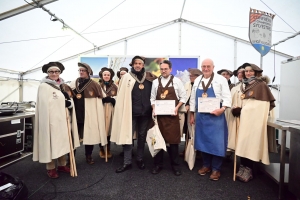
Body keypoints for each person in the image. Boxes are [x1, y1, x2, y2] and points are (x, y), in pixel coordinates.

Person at [33, 62, 80, 179]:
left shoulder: (63, 85)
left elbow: (68, 101)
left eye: (56, 71)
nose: (54, 74)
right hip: (51, 121)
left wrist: (69, 104)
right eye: (51, 72)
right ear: (47, 73)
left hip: (62, 120)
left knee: (61, 142)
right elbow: (45, 105)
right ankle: (50, 167)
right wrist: (62, 102)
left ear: (60, 73)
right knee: (51, 143)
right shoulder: (44, 86)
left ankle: (62, 165)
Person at [111, 56, 157, 173]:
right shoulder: (126, 77)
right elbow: (121, 96)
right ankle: (127, 162)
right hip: (130, 113)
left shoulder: (149, 77)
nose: (137, 65)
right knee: (128, 137)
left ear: (143, 65)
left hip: (145, 113)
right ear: (132, 64)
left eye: (140, 63)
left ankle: (140, 159)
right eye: (135, 63)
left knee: (142, 137)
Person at [190, 58, 231, 181]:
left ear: (213, 67)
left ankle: (216, 169)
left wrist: (222, 109)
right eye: (204, 66)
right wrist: (192, 114)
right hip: (201, 116)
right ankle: (206, 165)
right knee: (203, 141)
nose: (206, 69)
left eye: (208, 66)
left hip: (216, 116)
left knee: (217, 143)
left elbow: (227, 97)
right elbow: (193, 99)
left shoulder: (221, 80)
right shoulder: (198, 80)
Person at [233, 63, 275, 182]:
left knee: (251, 144)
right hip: (246, 120)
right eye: (246, 71)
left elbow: (261, 105)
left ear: (256, 72)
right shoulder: (247, 84)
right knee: (243, 142)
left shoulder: (261, 85)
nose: (248, 73)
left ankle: (249, 169)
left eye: (251, 71)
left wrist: (243, 109)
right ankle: (243, 166)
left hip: (254, 122)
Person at [150, 60, 187, 176]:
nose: (163, 71)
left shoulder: (177, 82)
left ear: (170, 69)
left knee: (174, 143)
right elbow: (152, 98)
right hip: (159, 118)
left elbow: (183, 97)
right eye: (161, 69)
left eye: (165, 69)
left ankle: (175, 166)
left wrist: (176, 108)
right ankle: (157, 165)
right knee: (158, 142)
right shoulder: (155, 82)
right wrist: (154, 108)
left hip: (172, 117)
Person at [70, 63, 107, 165]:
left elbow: (102, 96)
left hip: (88, 114)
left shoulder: (94, 84)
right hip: (76, 113)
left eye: (83, 70)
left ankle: (88, 156)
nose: (81, 72)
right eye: (80, 70)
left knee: (89, 136)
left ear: (89, 72)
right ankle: (71, 158)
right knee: (73, 136)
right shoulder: (74, 83)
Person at [180, 68, 202, 157]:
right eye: (190, 75)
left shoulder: (201, 85)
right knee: (188, 131)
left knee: (197, 131)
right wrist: (185, 105)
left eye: (192, 76)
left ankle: (199, 151)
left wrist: (191, 105)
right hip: (187, 112)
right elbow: (185, 96)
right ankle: (187, 149)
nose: (190, 77)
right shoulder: (187, 84)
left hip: (198, 112)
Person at [227, 63, 248, 151]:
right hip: (234, 117)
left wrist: (242, 109)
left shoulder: (251, 86)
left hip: (246, 117)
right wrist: (233, 108)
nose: (240, 74)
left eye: (242, 72)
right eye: (238, 72)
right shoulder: (234, 88)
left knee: (245, 139)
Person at [98, 67, 118, 159]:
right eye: (105, 75)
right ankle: (101, 148)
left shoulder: (115, 86)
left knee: (109, 129)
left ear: (111, 76)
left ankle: (108, 148)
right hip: (101, 109)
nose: (106, 76)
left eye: (108, 75)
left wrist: (113, 99)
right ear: (102, 76)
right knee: (101, 129)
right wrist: (101, 100)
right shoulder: (98, 85)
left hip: (110, 110)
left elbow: (119, 97)